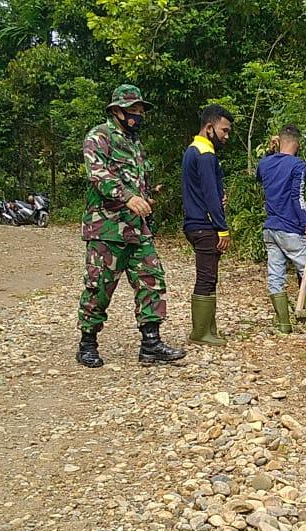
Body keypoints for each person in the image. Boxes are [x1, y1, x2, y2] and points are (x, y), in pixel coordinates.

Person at [75, 83, 185, 367]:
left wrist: (150, 196)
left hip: (137, 228)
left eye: (140, 110)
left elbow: (138, 183)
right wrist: (128, 197)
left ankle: (151, 344)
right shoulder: (99, 136)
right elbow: (98, 175)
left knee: (152, 279)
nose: (138, 115)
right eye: (133, 110)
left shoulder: (135, 144)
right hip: (107, 228)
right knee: (99, 286)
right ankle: (87, 342)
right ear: (117, 111)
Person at [256, 124, 306, 333]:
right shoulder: (298, 166)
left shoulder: (265, 163)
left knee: (276, 275)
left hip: (270, 229)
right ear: (297, 142)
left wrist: (270, 151)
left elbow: (260, 177)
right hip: (290, 229)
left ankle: (283, 324)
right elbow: (298, 197)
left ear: (279, 141)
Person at [181, 104, 234, 346]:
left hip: (196, 222)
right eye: (224, 130)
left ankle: (209, 327)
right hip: (204, 225)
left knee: (209, 276)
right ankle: (201, 332)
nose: (226, 135)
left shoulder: (194, 150)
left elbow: (204, 190)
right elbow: (211, 196)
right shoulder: (204, 153)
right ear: (209, 127)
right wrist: (222, 228)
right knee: (206, 277)